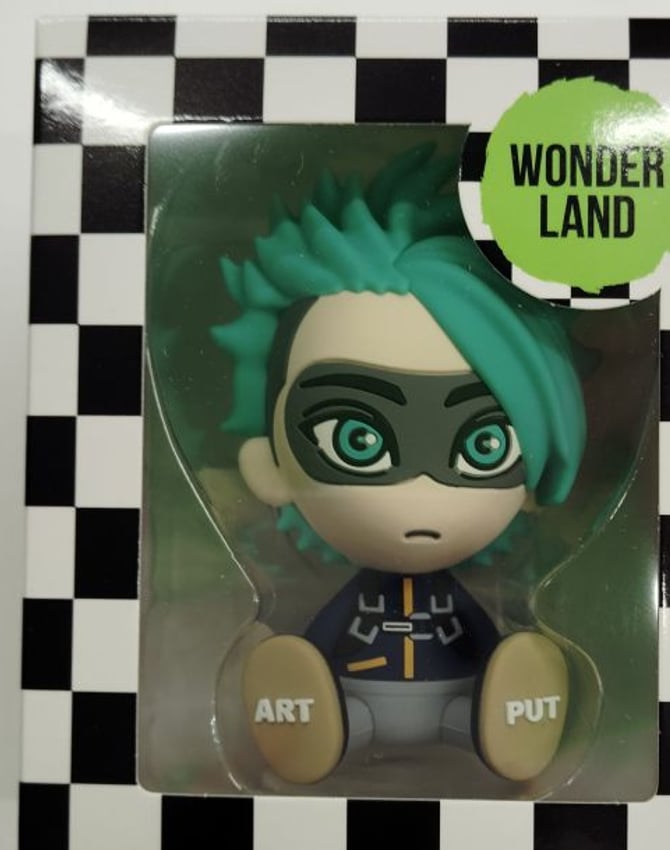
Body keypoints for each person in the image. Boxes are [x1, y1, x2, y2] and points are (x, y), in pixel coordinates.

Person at [212, 143, 586, 784]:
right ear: (269, 462)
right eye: (355, 438)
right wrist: (304, 668)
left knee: (480, 709)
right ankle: (312, 722)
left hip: (459, 706)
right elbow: (329, 634)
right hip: (353, 704)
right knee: (334, 710)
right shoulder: (357, 595)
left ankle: (502, 717)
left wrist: (506, 666)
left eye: (484, 444)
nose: (418, 491)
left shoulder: (462, 598)